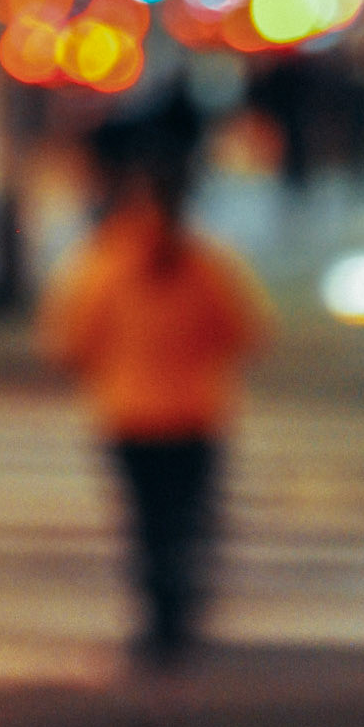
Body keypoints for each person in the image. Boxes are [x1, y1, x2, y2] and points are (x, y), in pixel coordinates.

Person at [37, 101, 273, 672]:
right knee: (188, 518)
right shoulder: (209, 264)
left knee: (146, 524)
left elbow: (67, 343)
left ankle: (159, 622)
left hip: (130, 417)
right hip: (196, 414)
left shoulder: (104, 263)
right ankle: (183, 611)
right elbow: (247, 333)